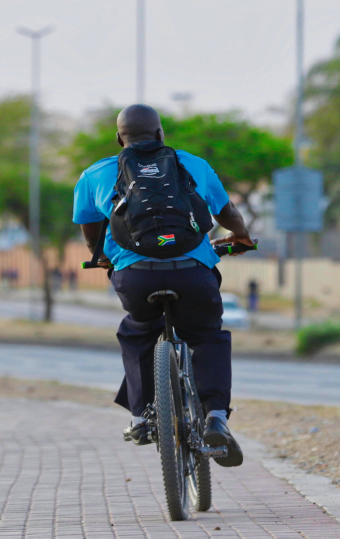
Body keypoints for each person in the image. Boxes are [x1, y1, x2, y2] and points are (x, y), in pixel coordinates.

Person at [73, 104, 254, 467]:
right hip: (192, 271)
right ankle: (216, 415)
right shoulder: (193, 165)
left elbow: (90, 227)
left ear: (118, 138)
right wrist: (241, 237)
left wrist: (99, 255)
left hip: (135, 275)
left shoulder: (95, 174)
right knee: (207, 335)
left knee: (138, 330)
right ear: (160, 134)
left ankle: (140, 418)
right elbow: (226, 213)